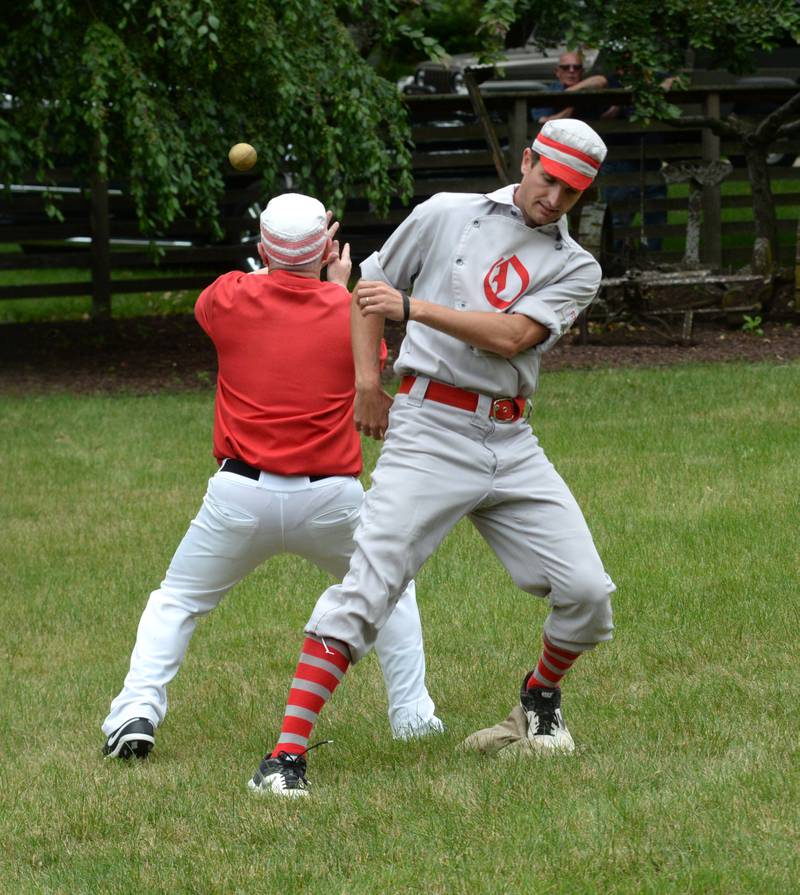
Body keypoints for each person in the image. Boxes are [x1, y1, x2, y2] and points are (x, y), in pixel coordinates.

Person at [247, 120, 616, 798]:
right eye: (549, 179)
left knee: (589, 594)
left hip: (510, 438)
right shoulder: (446, 212)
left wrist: (415, 307)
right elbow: (370, 288)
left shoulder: (576, 266)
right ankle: (284, 759)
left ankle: (538, 701)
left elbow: (511, 337)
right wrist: (367, 384)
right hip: (428, 428)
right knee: (371, 583)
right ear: (527, 160)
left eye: (573, 192)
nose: (556, 199)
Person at [101, 193, 442, 761]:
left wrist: (299, 272)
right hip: (332, 497)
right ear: (329, 249)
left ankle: (136, 712)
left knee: (177, 600)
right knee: (390, 593)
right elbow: (357, 345)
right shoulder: (353, 309)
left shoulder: (228, 296)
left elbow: (250, 296)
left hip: (239, 494)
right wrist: (336, 285)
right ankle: (412, 717)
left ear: (261, 250)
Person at [530, 50, 608, 124]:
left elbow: (601, 80)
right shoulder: (547, 92)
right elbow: (543, 123)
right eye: (565, 67)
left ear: (582, 71)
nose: (571, 70)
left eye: (576, 67)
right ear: (557, 72)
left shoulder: (588, 86)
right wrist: (573, 103)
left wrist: (572, 91)